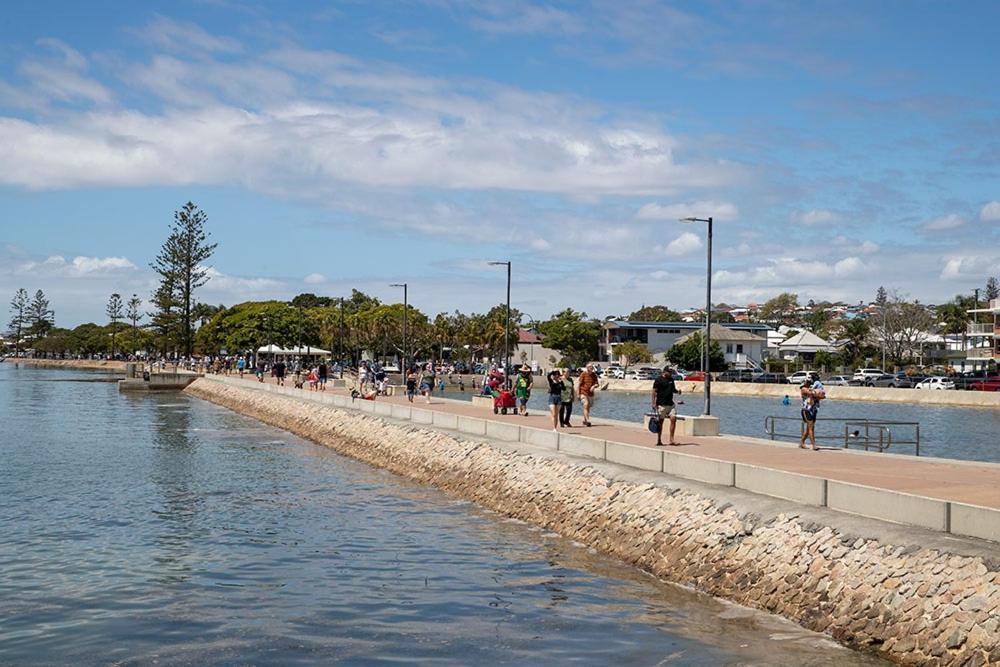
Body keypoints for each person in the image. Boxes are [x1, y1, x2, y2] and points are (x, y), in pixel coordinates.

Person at [651, 366, 681, 446]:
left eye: (671, 372)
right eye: (669, 372)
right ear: (665, 372)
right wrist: (653, 403)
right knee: (660, 423)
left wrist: (678, 391)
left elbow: (673, 389)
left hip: (670, 404)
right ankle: (659, 440)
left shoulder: (671, 380)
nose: (671, 374)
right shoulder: (658, 380)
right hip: (661, 404)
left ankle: (671, 440)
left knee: (673, 419)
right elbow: (654, 392)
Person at [800, 378, 820, 451]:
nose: (809, 383)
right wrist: (817, 391)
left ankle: (802, 442)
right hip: (806, 410)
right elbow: (812, 393)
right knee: (811, 428)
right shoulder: (803, 389)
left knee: (809, 429)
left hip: (813, 409)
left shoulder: (811, 389)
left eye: (809, 382)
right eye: (808, 382)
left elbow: (820, 395)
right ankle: (814, 445)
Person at [577, 363, 599, 427]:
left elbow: (597, 384)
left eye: (592, 367)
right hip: (583, 392)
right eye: (590, 367)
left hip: (590, 394)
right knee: (585, 404)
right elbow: (579, 384)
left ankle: (585, 420)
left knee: (588, 407)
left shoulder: (594, 375)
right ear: (587, 367)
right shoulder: (583, 374)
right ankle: (588, 420)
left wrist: (594, 386)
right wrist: (578, 394)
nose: (591, 368)